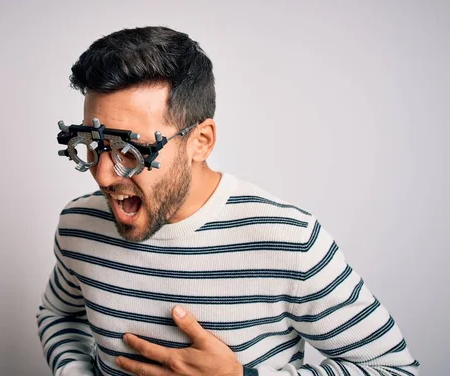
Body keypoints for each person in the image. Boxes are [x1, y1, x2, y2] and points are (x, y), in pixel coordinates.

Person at [36, 26, 419, 376]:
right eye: (93, 144)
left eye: (131, 152)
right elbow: (58, 314)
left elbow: (396, 369)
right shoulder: (79, 225)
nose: (103, 176)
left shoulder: (287, 239)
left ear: (200, 142)